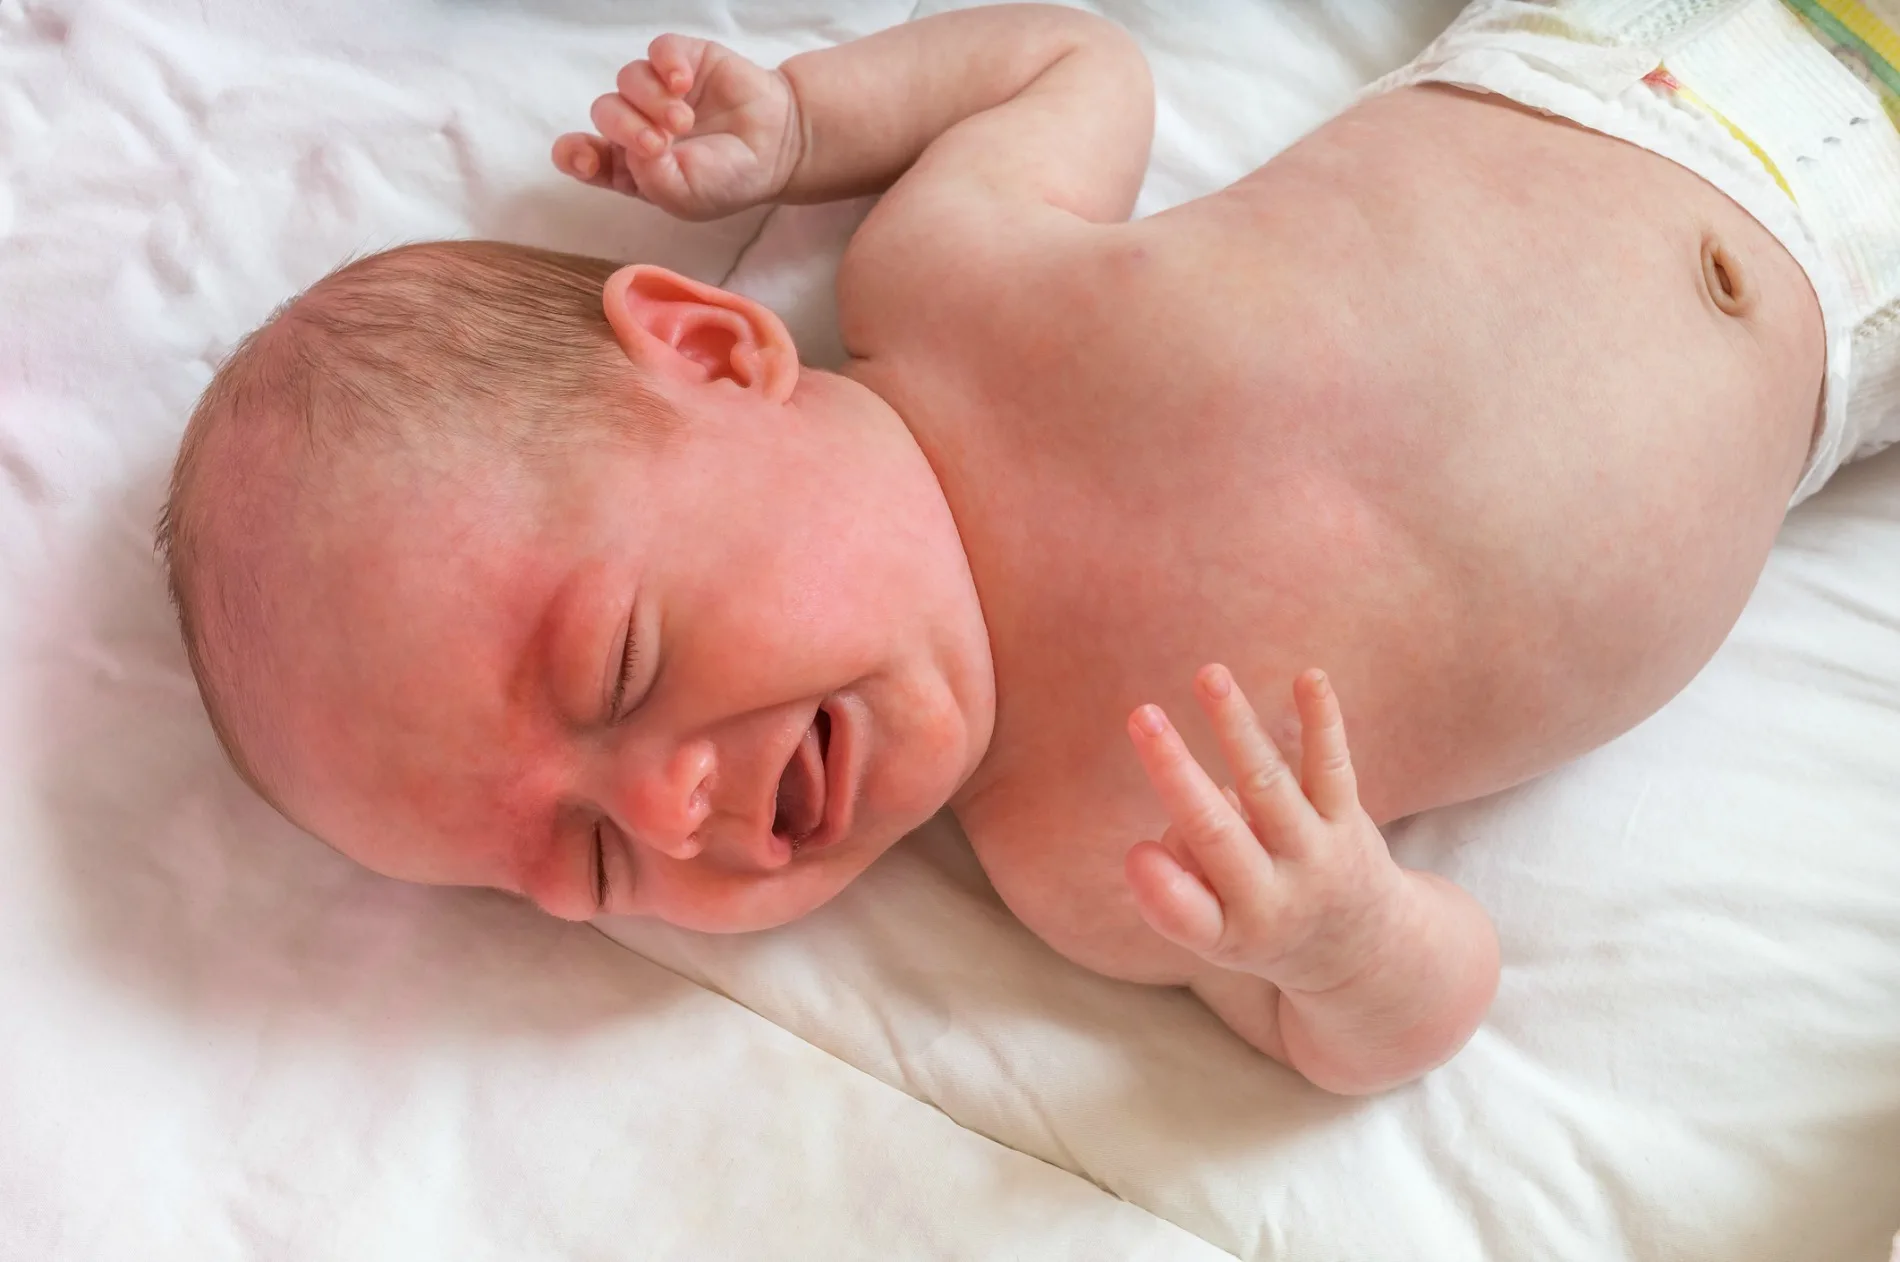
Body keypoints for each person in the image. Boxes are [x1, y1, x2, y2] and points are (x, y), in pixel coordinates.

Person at [157, 1, 1900, 1093]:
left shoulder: (949, 286)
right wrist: (1345, 936)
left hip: (1620, 56)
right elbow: (1391, 1024)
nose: (676, 814)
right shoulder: (1100, 859)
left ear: (709, 348)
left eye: (619, 667)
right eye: (597, 866)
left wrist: (810, 120)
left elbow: (1077, 55)